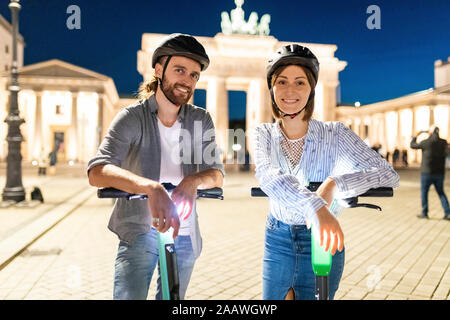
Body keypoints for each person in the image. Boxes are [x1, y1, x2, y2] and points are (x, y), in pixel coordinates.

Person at [252, 44, 399, 300]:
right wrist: (317, 207)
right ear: (272, 88)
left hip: (323, 238)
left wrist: (334, 183)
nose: (290, 90)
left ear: (311, 90)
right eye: (282, 81)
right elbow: (267, 175)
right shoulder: (262, 134)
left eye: (300, 82)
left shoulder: (336, 133)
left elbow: (387, 173)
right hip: (278, 240)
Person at [87, 33, 224, 300]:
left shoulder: (200, 119)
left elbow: (216, 174)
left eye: (194, 75)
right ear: (159, 69)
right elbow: (97, 171)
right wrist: (151, 188)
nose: (187, 80)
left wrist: (192, 181)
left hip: (184, 233)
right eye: (180, 70)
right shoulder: (131, 117)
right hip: (140, 229)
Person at [410, 127, 450, 220]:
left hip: (427, 173)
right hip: (439, 173)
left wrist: (416, 136)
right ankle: (448, 213)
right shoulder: (443, 142)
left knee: (424, 193)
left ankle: (424, 213)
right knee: (441, 193)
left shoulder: (425, 142)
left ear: (430, 133)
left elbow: (412, 145)